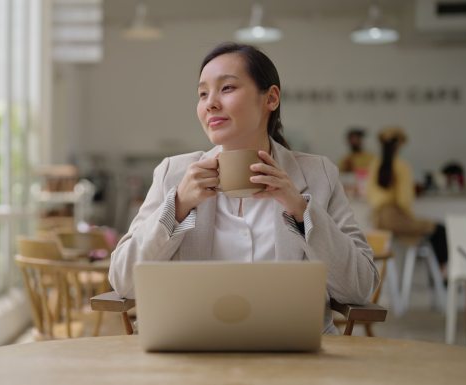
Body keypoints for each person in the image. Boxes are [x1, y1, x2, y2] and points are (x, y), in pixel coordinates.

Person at [108, 42, 379, 334]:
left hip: (293, 356)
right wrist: (178, 207)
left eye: (226, 88)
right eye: (202, 93)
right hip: (189, 349)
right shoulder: (173, 174)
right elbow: (123, 280)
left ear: (271, 98)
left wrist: (301, 210)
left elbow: (360, 287)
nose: (210, 103)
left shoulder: (318, 174)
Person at [366, 126, 448, 270]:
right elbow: (404, 200)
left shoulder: (374, 164)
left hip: (379, 220)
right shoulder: (402, 166)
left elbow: (369, 194)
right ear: (400, 144)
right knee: (439, 230)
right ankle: (441, 274)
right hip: (397, 218)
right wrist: (410, 218)